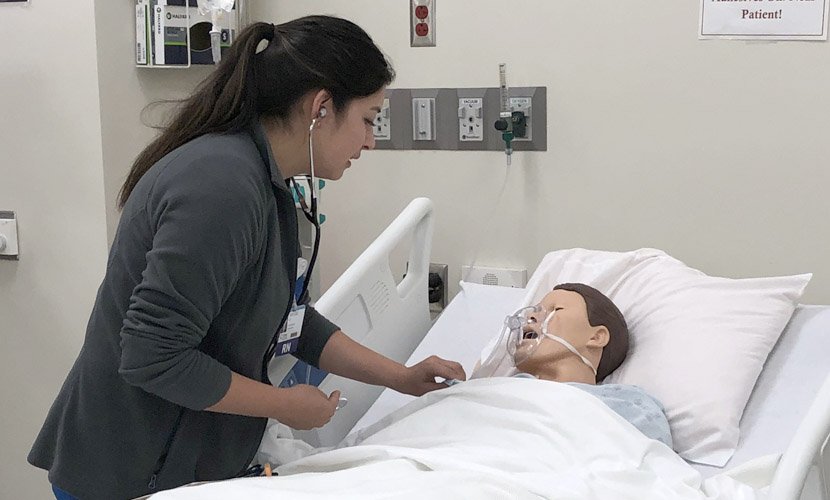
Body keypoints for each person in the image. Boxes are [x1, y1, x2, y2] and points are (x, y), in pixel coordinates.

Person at [28, 16, 465, 500]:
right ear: (321, 107)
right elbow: (153, 356)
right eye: (368, 119)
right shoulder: (222, 186)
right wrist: (284, 404)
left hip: (178, 462)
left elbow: (290, 320)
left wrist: (402, 377)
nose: (370, 141)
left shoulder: (263, 181)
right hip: (127, 472)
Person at [502, 283, 672, 447]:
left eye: (556, 309)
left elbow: (652, 459)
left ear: (596, 337)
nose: (530, 318)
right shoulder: (502, 390)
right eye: (533, 312)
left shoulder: (629, 405)